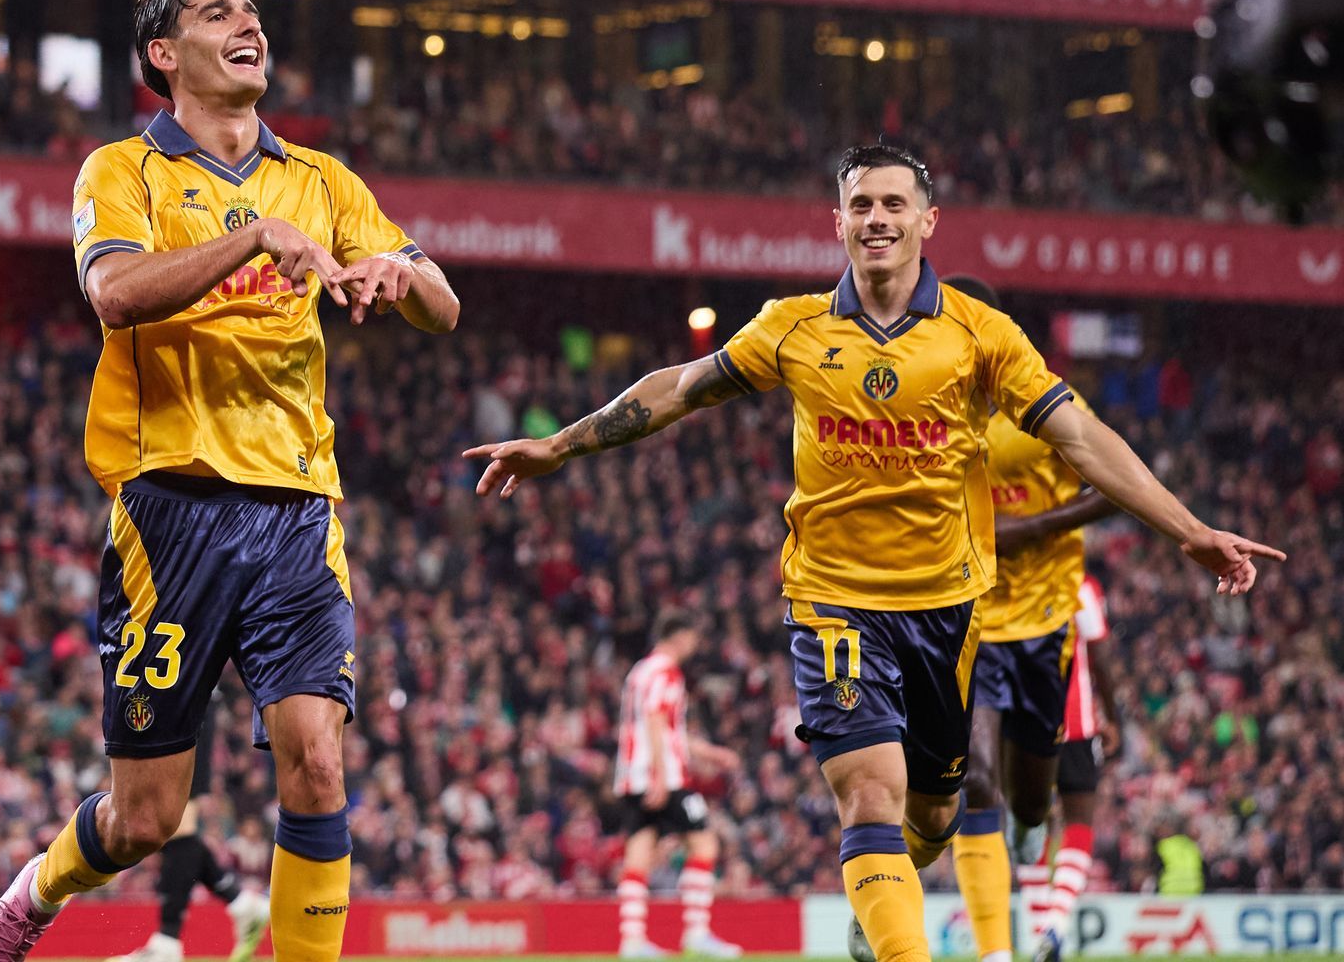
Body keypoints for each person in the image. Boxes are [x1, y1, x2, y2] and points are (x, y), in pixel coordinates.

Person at [463, 144, 1282, 962]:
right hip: (835, 604)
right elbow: (678, 389)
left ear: (927, 222)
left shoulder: (979, 336)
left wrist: (1191, 532)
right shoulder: (793, 328)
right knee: (867, 796)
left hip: (947, 610)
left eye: (894, 204)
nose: (877, 219)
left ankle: (881, 899)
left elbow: (1083, 439)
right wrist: (560, 446)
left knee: (930, 819)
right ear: (839, 223)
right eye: (861, 206)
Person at [0, 0, 459, 962]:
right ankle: (29, 902)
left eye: (256, 14)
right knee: (146, 816)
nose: (251, 26)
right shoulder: (122, 173)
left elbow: (445, 307)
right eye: (220, 12)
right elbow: (118, 295)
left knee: (317, 762)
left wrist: (399, 271)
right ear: (163, 52)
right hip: (170, 517)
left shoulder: (322, 180)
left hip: (297, 511)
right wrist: (258, 241)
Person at [939, 275, 1118, 962]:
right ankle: (995, 953)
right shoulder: (934, 416)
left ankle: (1026, 829)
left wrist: (1034, 526)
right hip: (969, 617)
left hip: (1043, 620)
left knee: (1031, 801)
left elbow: (1113, 484)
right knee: (974, 775)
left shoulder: (1040, 404)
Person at [614, 611, 743, 959]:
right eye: (692, 638)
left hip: (632, 775)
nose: (694, 646)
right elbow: (657, 721)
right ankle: (697, 933)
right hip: (664, 777)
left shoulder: (640, 671)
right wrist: (659, 775)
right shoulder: (665, 672)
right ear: (679, 636)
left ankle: (632, 940)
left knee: (638, 853)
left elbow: (667, 729)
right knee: (704, 843)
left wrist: (709, 752)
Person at [105, 708, 271, 962]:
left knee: (177, 828)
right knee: (173, 829)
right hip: (176, 701)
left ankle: (167, 943)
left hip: (183, 700)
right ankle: (241, 905)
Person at [1018, 574, 1121, 962]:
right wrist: (1112, 717)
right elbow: (1099, 656)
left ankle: (1036, 932)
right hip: (1076, 724)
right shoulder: (1080, 585)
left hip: (1023, 726)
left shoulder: (1012, 576)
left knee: (1029, 823)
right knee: (1079, 819)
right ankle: (1056, 925)